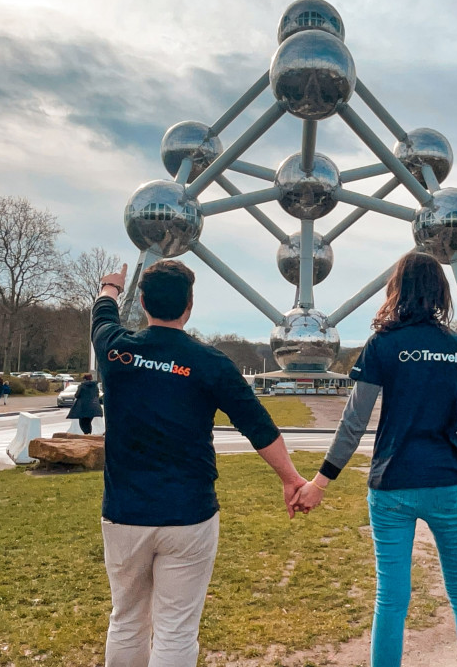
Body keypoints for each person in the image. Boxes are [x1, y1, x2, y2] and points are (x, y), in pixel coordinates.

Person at [92, 260, 308, 667]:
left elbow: (102, 314)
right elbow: (259, 427)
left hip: (124, 513)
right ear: (189, 305)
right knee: (175, 629)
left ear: (142, 302)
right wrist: (291, 479)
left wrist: (109, 287)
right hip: (188, 515)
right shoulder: (210, 363)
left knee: (126, 620)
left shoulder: (116, 350)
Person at [293, 251, 457, 667]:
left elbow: (353, 422)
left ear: (396, 289)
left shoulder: (383, 345)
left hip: (392, 485)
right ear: (440, 290)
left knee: (392, 599)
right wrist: (453, 464)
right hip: (448, 484)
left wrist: (320, 482)